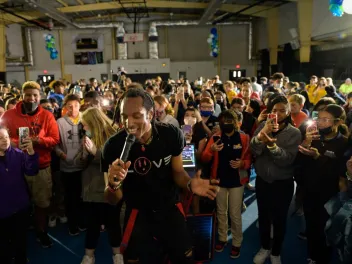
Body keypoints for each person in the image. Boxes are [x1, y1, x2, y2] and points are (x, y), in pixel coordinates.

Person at [102, 88, 219, 263]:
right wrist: (113, 185)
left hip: (169, 208)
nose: (129, 123)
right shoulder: (113, 146)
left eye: (136, 116)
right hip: (137, 213)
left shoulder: (170, 134)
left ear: (150, 114)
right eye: (124, 116)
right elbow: (112, 199)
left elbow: (178, 172)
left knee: (185, 257)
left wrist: (189, 184)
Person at [1, 81, 60, 248]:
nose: (32, 98)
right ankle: (18, 236)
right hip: (15, 168)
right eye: (28, 95)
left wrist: (37, 140)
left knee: (42, 203)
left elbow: (55, 140)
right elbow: (1, 137)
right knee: (17, 205)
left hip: (41, 166)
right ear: (22, 96)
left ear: (39, 96)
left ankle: (41, 232)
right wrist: (15, 143)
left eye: (35, 95)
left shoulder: (47, 116)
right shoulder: (8, 115)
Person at [251, 95, 301, 264]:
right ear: (269, 112)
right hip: (263, 181)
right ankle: (264, 247)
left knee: (280, 219)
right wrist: (261, 137)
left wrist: (272, 146)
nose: (277, 114)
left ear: (288, 112)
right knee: (263, 216)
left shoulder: (294, 133)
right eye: (274, 110)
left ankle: (276, 251)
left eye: (282, 110)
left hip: (283, 183)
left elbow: (287, 159)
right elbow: (254, 150)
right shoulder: (262, 127)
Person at [296, 104, 348, 264]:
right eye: (319, 118)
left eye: (326, 120)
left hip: (331, 196)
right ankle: (312, 256)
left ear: (338, 122)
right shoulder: (313, 138)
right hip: (310, 192)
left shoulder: (344, 143)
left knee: (326, 229)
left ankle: (323, 258)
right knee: (311, 227)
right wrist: (305, 145)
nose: (320, 123)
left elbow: (341, 173)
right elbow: (298, 167)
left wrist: (319, 157)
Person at [202, 110, 251, 259]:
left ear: (236, 123)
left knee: (235, 214)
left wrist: (242, 163)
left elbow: (250, 160)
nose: (226, 124)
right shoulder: (216, 137)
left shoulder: (244, 138)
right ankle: (222, 238)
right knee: (221, 211)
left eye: (230, 121)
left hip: (237, 181)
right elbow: (204, 158)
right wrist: (211, 150)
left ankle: (237, 242)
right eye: (223, 121)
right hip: (219, 180)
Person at [78, 108, 123, 264]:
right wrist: (84, 154)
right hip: (91, 187)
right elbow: (80, 163)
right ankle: (89, 254)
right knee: (92, 224)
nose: (83, 128)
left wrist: (95, 152)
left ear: (94, 123)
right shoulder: (86, 137)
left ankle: (117, 253)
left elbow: (114, 162)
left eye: (85, 125)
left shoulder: (114, 135)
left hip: (109, 187)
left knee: (113, 222)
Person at [0, 126, 39, 264]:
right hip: (2, 210)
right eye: (0, 138)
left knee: (20, 239)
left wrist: (31, 152)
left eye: (6, 137)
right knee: (3, 243)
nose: (4, 141)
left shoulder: (18, 154)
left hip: (20, 207)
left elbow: (32, 171)